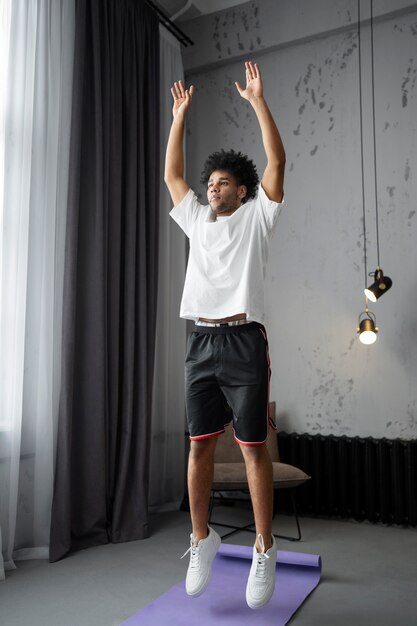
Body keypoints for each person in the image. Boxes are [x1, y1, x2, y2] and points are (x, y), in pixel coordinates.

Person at [164, 61, 286, 610]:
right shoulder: (197, 219)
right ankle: (201, 538)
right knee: (198, 448)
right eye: (209, 183)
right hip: (200, 343)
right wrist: (180, 118)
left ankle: (264, 546)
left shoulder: (258, 216)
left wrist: (258, 101)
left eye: (222, 183)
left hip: (242, 341)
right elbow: (172, 176)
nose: (212, 189)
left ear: (242, 189)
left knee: (253, 449)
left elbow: (277, 160)